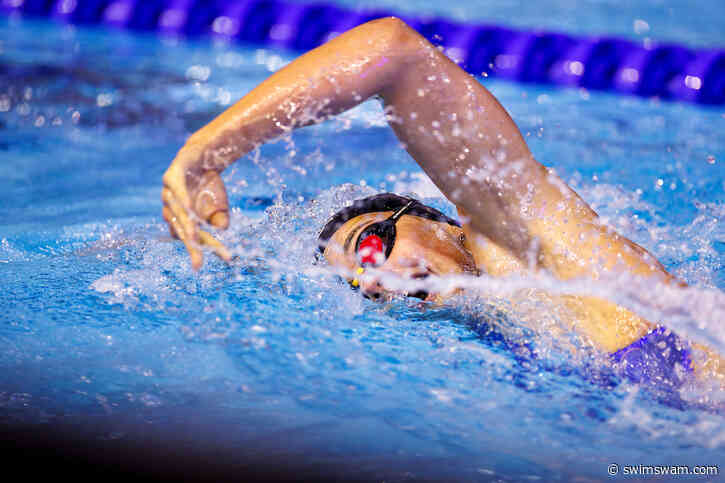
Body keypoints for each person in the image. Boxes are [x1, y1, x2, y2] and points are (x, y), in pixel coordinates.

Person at [161, 17, 723, 388]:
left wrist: (206, 155)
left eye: (372, 244)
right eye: (361, 282)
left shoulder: (518, 233)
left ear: (440, 219)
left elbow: (392, 51)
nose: (376, 280)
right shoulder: (510, 331)